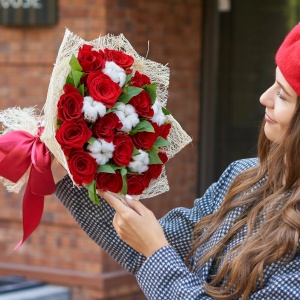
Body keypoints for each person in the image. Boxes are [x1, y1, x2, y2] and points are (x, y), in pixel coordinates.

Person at [56, 24, 300, 300]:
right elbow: (155, 240)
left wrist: (156, 251)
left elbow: (156, 247)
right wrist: (64, 160)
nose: (264, 97)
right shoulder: (244, 177)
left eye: (282, 94)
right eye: (273, 83)